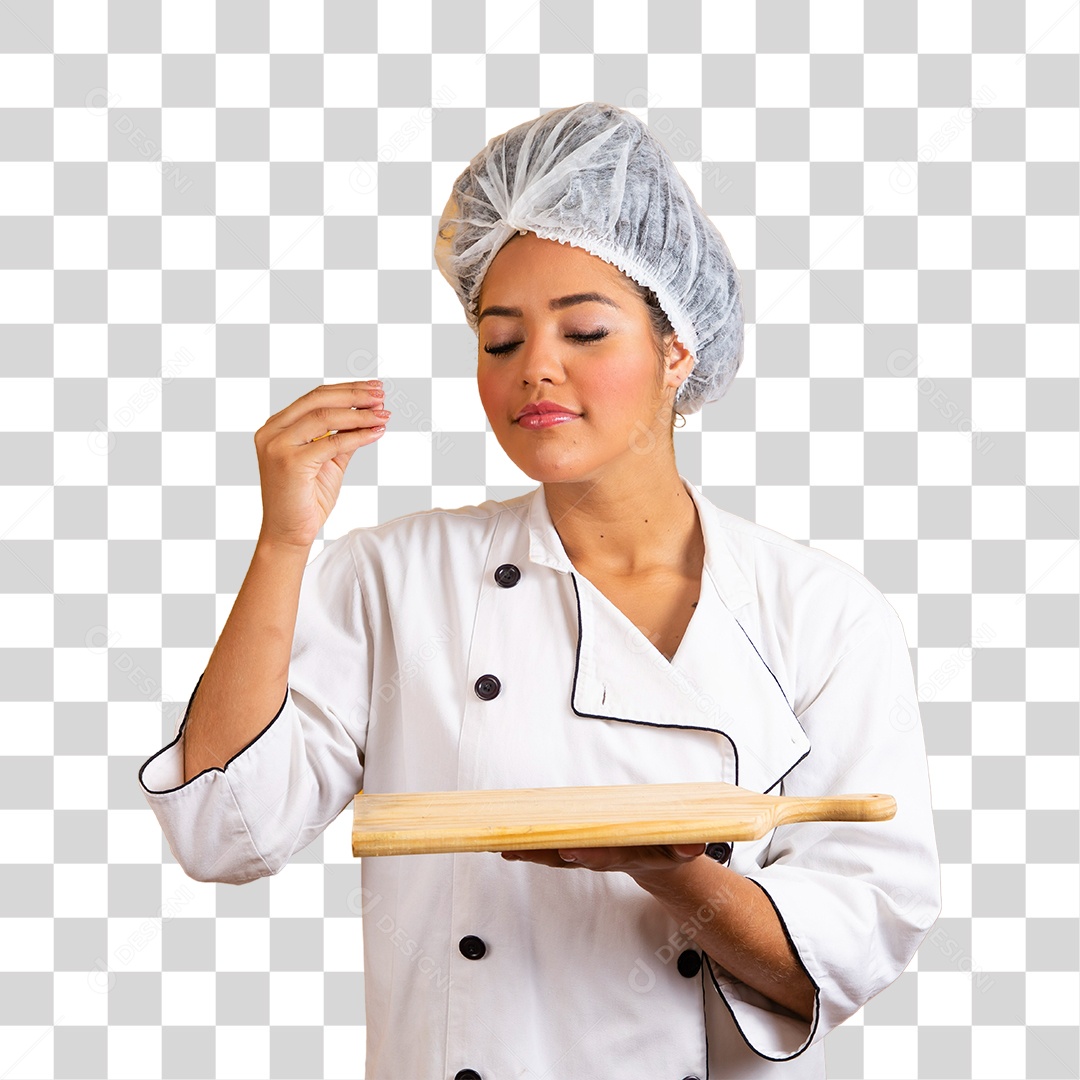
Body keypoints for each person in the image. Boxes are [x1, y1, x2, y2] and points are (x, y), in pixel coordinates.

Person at [139, 102, 941, 1079]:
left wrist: (667, 871)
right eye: (501, 339)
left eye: (587, 330)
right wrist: (284, 541)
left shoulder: (819, 612)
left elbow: (853, 951)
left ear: (678, 349)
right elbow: (225, 834)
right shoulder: (398, 580)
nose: (537, 370)